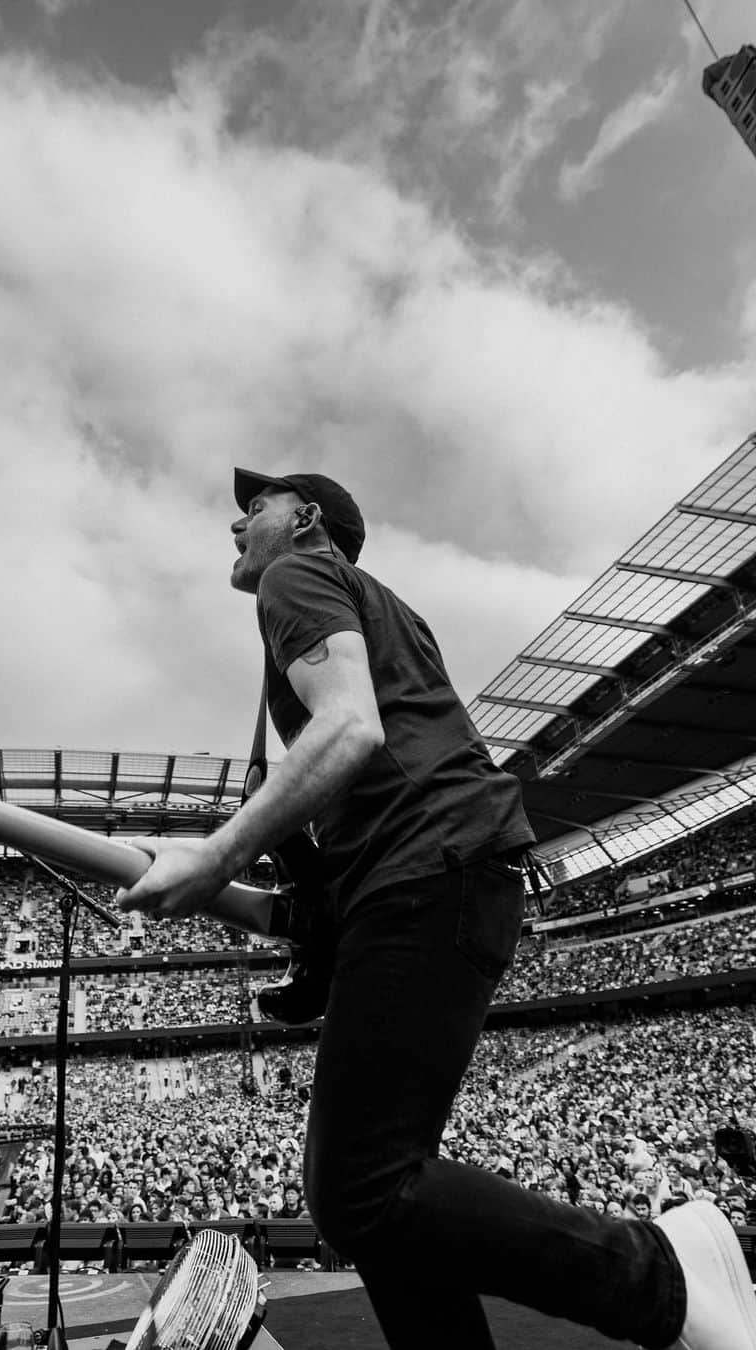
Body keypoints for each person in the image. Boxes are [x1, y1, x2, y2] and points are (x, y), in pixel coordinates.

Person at [118, 467, 756, 1349]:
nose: (235, 526)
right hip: (439, 874)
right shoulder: (375, 607)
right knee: (388, 1206)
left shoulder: (292, 576)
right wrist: (267, 898)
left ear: (304, 521)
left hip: (427, 873)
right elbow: (356, 792)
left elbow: (350, 729)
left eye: (251, 509)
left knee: (356, 1187)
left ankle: (661, 1276)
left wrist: (217, 850)